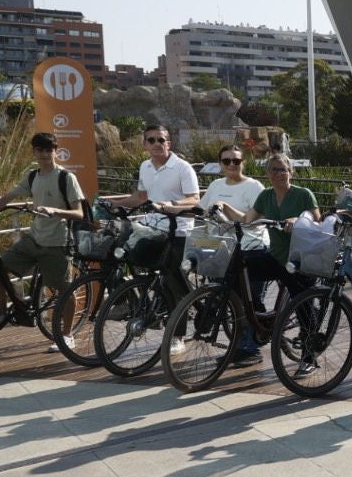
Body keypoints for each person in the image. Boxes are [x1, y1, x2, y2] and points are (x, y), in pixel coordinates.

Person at [0, 132, 86, 350]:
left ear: (55, 151)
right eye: (39, 150)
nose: (44, 154)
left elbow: (79, 213)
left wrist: (54, 210)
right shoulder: (32, 176)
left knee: (63, 291)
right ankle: (1, 312)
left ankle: (67, 335)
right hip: (33, 239)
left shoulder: (66, 178)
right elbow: (4, 199)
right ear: (34, 151)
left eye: (48, 150)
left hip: (57, 243)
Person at [213, 152, 320, 363]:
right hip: (276, 256)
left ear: (291, 172)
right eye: (273, 169)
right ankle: (255, 317)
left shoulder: (303, 194)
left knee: (303, 304)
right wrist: (223, 206)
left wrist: (296, 220)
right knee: (236, 270)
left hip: (299, 260)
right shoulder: (266, 196)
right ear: (267, 174)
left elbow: (317, 222)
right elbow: (246, 219)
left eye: (282, 169)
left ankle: (309, 356)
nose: (278, 173)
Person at [103, 123, 202, 326]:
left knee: (174, 282)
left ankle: (178, 335)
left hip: (178, 231)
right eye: (152, 140)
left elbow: (194, 199)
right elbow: (140, 196)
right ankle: (137, 304)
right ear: (144, 144)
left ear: (169, 143)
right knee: (118, 255)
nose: (157, 143)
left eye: (161, 140)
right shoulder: (145, 166)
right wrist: (116, 204)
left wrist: (172, 204)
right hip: (152, 228)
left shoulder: (183, 168)